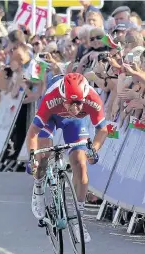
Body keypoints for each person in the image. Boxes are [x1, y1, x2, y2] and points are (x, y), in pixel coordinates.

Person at [26, 73, 109, 243]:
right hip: (51, 118)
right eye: (72, 103)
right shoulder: (51, 98)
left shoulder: (93, 99)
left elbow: (103, 130)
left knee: (80, 163)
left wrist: (94, 149)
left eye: (80, 103)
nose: (76, 107)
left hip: (74, 124)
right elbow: (33, 132)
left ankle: (79, 219)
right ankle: (39, 187)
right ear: (63, 98)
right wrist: (32, 158)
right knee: (43, 155)